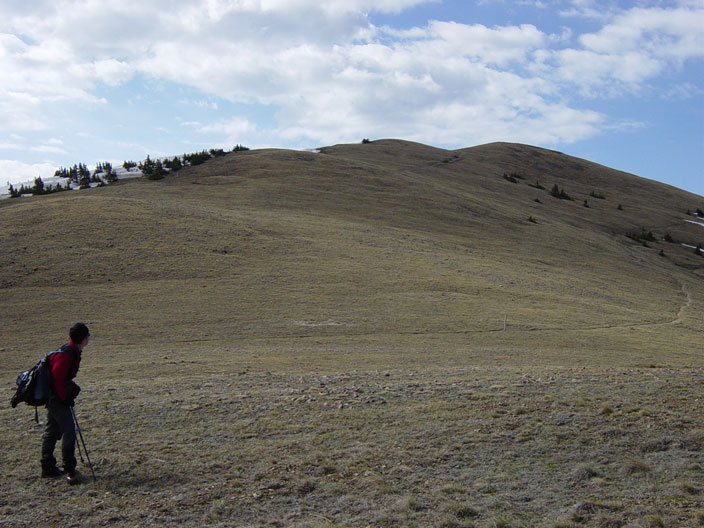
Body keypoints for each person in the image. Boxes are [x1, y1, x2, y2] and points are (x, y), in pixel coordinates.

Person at [40, 323, 89, 485]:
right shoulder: (67, 354)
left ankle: (48, 466)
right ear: (82, 339)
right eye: (87, 336)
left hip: (54, 398)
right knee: (69, 431)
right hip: (57, 399)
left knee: (52, 430)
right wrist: (64, 397)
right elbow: (57, 379)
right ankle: (69, 469)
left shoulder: (70, 351)